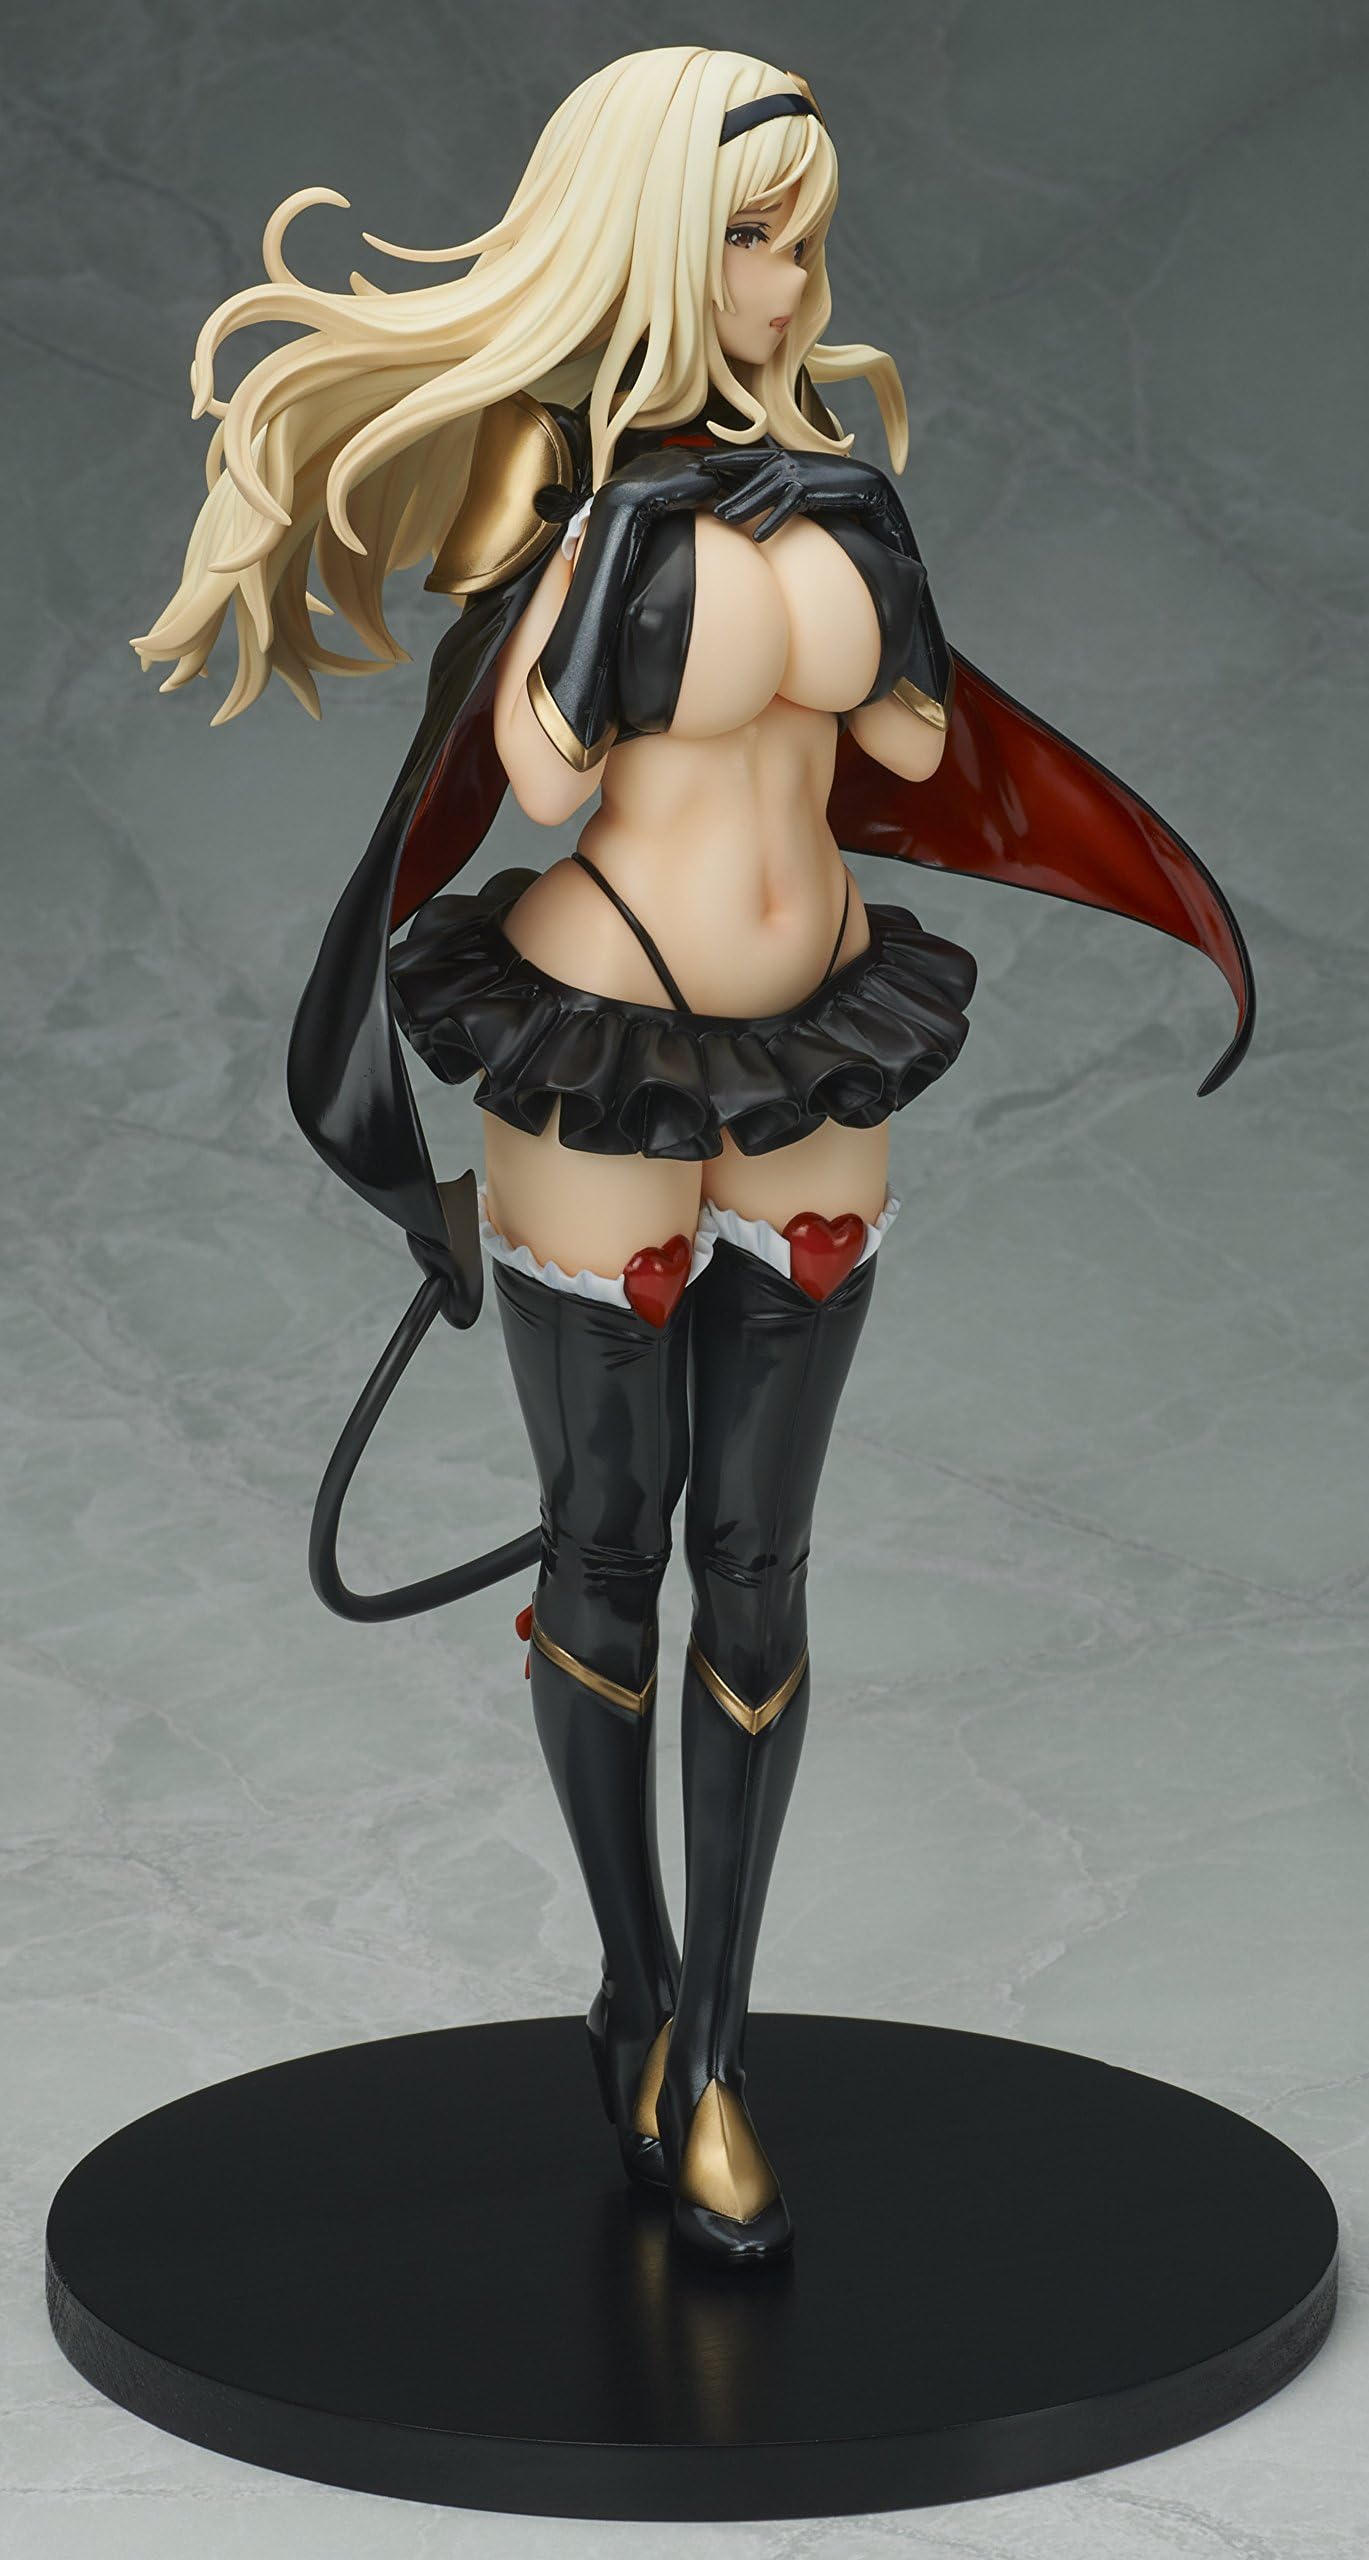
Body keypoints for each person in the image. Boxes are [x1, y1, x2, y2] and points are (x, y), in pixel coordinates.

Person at [132, 46, 1254, 2265]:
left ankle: (717, 2049)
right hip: (602, 1046)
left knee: (763, 1562)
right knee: (609, 1546)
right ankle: (632, 1991)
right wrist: (603, 553)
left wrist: (868, 560)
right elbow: (541, 779)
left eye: (804, 236)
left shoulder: (840, 486)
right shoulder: (574, 500)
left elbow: (913, 741)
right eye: (750, 236)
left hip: (817, 1036)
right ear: (656, 243)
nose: (789, 277)